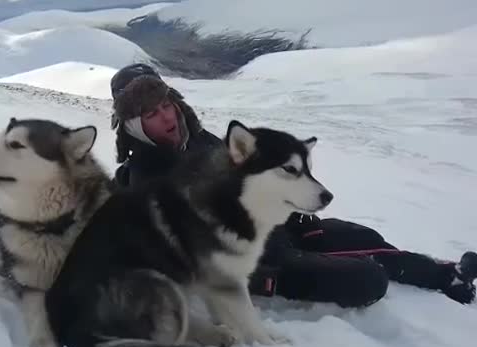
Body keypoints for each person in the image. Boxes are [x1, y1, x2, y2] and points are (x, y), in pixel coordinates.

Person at [108, 63, 477, 307]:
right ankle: (445, 276)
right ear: (135, 126)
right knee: (366, 279)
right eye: (151, 114)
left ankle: (446, 276)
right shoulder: (148, 175)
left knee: (358, 234)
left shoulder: (201, 141)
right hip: (261, 264)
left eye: (166, 105)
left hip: (273, 231)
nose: (166, 117)